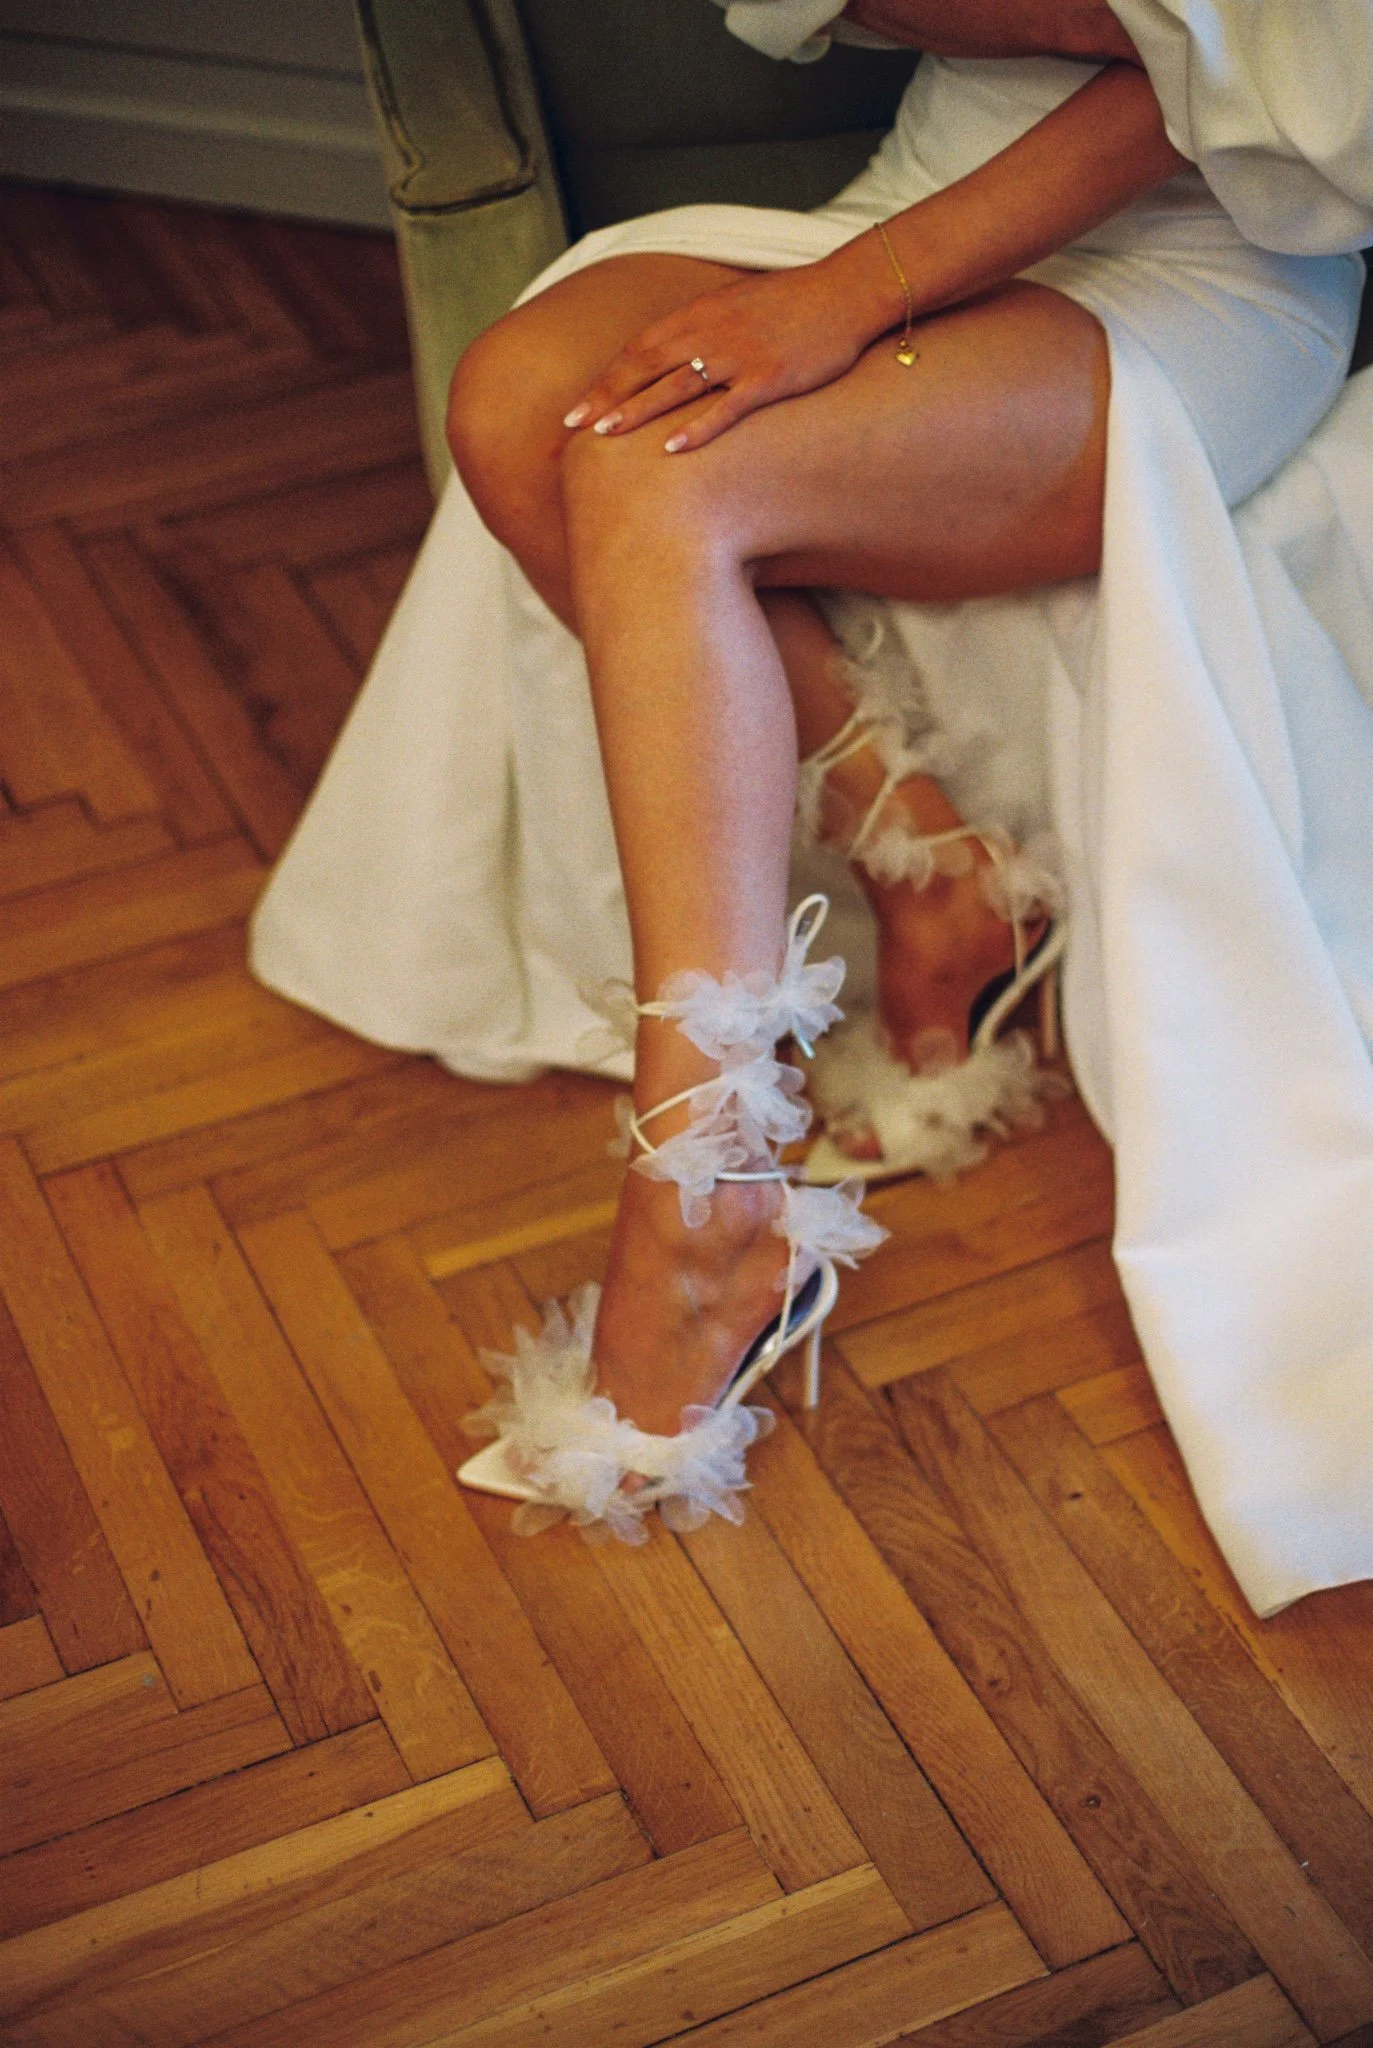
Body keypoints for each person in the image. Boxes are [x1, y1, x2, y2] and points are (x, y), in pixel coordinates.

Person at [251, 1, 1373, 1607]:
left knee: (661, 472)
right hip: (910, 182)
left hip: (1202, 252)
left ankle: (706, 1199)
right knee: (519, 405)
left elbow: (1261, 72)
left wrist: (850, 302)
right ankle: (930, 863)